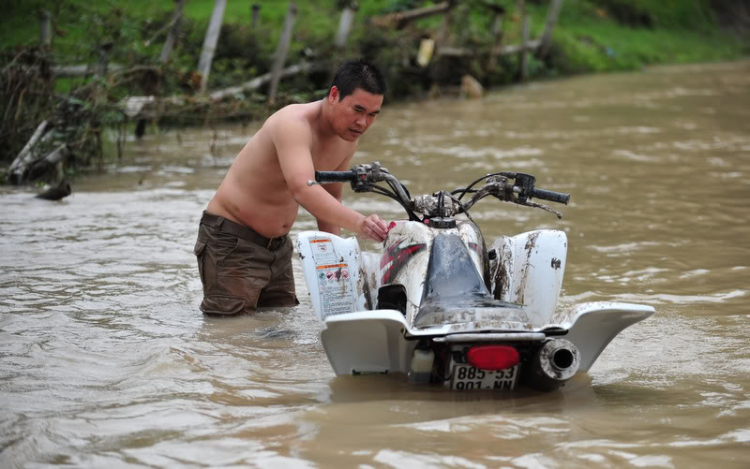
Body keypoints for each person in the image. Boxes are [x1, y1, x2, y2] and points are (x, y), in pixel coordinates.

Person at [194, 59, 389, 316]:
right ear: (334, 95)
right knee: (228, 335)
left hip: (278, 249)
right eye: (357, 110)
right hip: (231, 242)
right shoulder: (293, 123)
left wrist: (340, 271)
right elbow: (304, 189)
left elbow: (329, 203)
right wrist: (362, 224)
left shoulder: (346, 138)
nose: (362, 123)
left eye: (372, 115)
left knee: (280, 334)